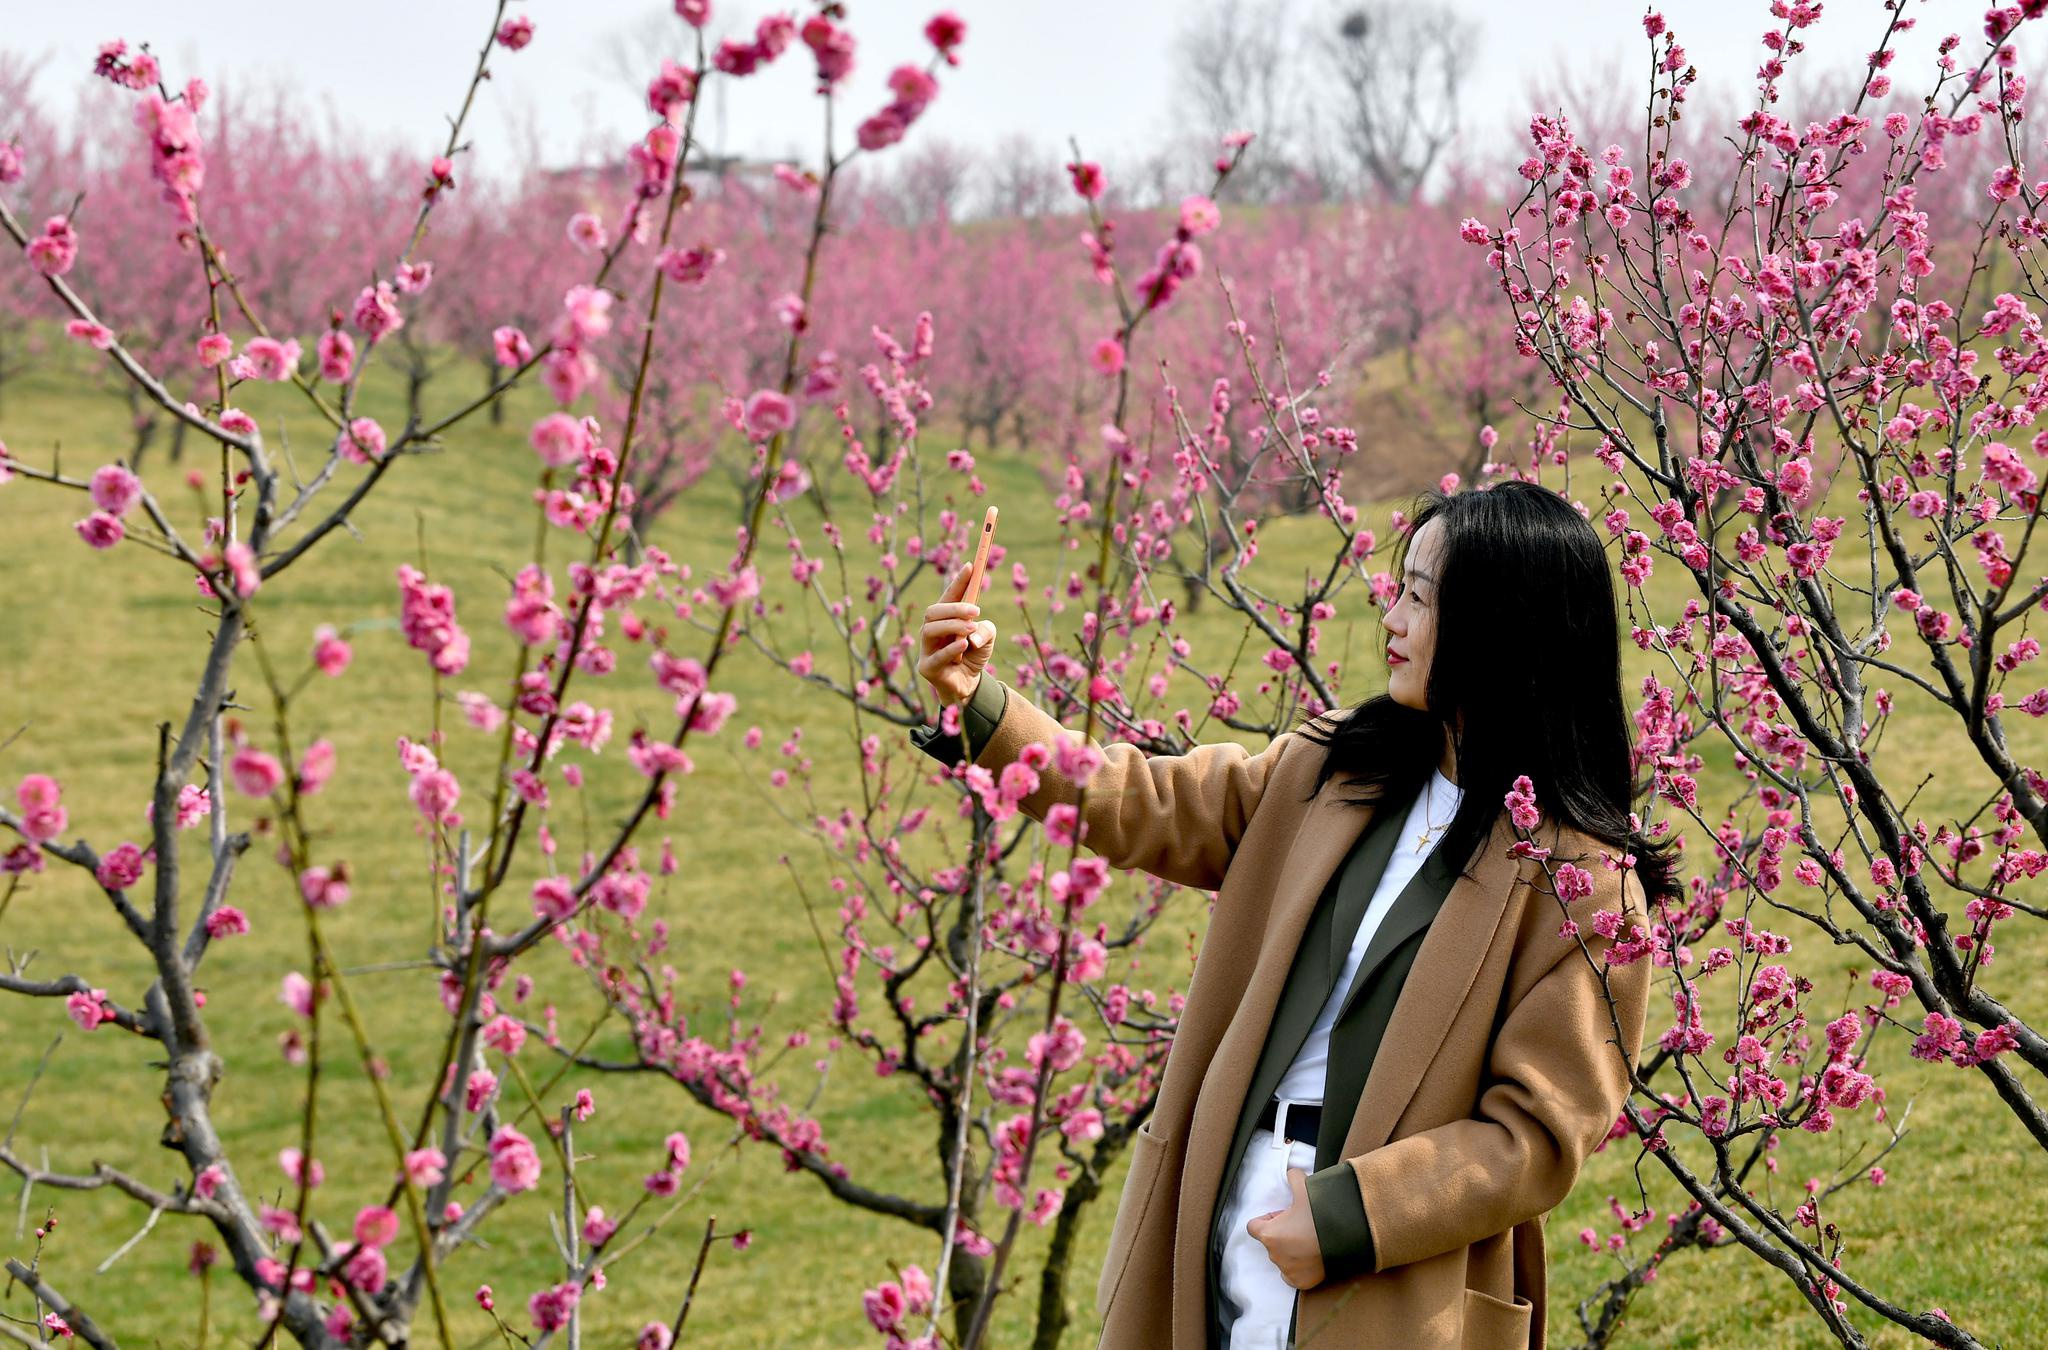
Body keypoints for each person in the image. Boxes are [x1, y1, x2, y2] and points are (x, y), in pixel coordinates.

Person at [910, 481, 1676, 1348]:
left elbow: (1538, 1132)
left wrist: (1349, 1217)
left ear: (1499, 626)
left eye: (1421, 599)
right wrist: (982, 707)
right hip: (1224, 1201)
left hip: (1384, 1271)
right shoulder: (1332, 768)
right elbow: (1143, 801)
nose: (1391, 618)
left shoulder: (1582, 885)